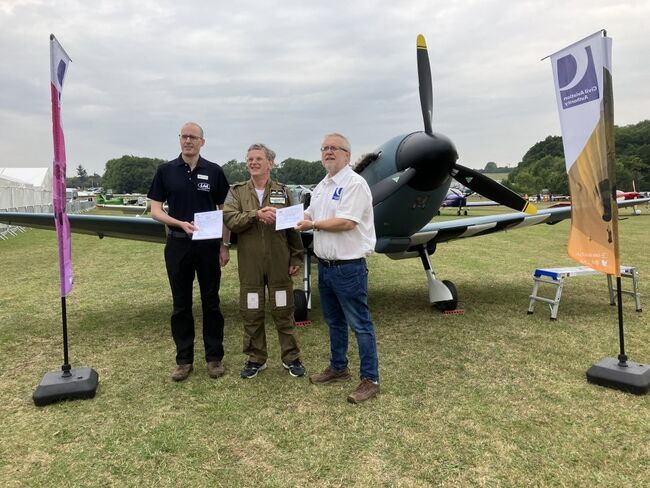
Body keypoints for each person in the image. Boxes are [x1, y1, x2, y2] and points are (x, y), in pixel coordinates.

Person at [295, 133, 380, 403]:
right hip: (327, 267)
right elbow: (309, 214)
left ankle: (370, 378)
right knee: (334, 322)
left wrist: (313, 225)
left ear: (347, 155)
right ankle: (338, 367)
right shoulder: (323, 185)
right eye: (325, 148)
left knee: (360, 324)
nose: (329, 152)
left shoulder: (355, 184)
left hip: (349, 267)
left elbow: (347, 222)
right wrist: (290, 216)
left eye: (335, 148)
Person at [147, 122, 231, 381]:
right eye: (184, 137)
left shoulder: (215, 171)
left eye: (193, 137)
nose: (188, 141)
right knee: (180, 305)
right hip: (178, 243)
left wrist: (224, 245)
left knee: (211, 302)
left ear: (202, 142)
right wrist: (178, 222)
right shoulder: (166, 171)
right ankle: (183, 360)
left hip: (207, 245)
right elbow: (155, 210)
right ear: (179, 140)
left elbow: (225, 211)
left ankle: (214, 358)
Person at [223, 143, 305, 379]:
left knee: (283, 308)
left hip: (279, 261)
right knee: (251, 309)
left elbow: (293, 226)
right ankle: (256, 359)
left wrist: (296, 255)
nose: (253, 163)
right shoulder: (236, 192)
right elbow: (230, 218)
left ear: (270, 163)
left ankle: (291, 358)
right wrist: (255, 215)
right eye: (250, 159)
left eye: (258, 159)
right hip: (250, 263)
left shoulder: (283, 191)